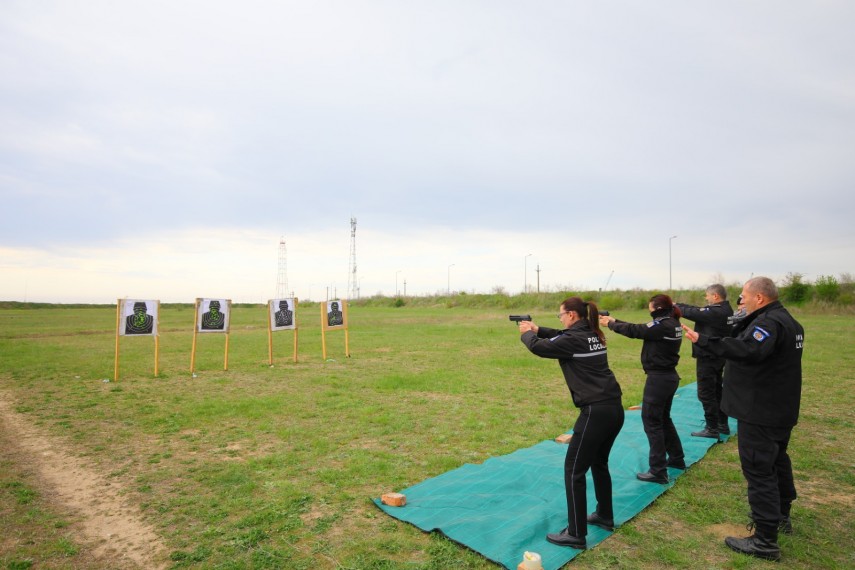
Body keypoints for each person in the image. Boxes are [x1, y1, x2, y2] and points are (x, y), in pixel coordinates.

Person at [683, 277, 803, 561]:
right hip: (778, 409)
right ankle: (781, 515)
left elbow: (748, 349)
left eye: (744, 296)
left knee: (759, 469)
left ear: (760, 298)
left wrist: (704, 340)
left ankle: (764, 541)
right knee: (777, 461)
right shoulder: (788, 321)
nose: (741, 301)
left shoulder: (769, 323)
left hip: (760, 411)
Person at [519, 297, 624, 550]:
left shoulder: (575, 339)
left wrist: (526, 335)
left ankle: (576, 533)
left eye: (561, 315)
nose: (561, 319)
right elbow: (563, 336)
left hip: (595, 412)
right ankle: (604, 515)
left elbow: (541, 348)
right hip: (613, 408)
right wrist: (538, 329)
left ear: (572, 315)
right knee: (599, 463)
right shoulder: (593, 333)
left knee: (574, 470)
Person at [599, 294, 685, 484]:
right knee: (663, 419)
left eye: (650, 308)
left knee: (652, 422)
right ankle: (677, 459)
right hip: (668, 377)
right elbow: (641, 329)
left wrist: (611, 324)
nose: (649, 311)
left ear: (657, 308)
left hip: (659, 380)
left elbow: (635, 330)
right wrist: (614, 321)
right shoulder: (671, 322)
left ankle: (658, 471)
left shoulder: (663, 324)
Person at [676, 284, 734, 438]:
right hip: (718, 355)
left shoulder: (716, 312)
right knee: (717, 390)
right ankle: (722, 425)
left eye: (707, 295)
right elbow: (697, 309)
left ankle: (712, 428)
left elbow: (693, 312)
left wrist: (674, 307)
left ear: (715, 296)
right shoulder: (725, 310)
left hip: (708, 356)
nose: (706, 298)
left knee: (706, 393)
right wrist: (676, 305)